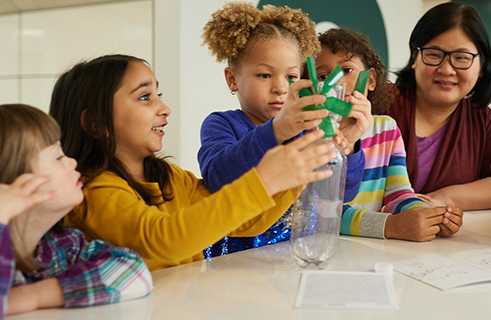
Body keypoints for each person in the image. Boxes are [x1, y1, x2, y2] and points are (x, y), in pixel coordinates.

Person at [50, 54, 336, 271]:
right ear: (96, 123)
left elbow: (242, 223)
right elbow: (164, 239)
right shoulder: (91, 191)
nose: (164, 108)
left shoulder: (170, 177)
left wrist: (297, 173)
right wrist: (264, 180)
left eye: (158, 95)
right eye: (145, 97)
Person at [198, 2, 366, 256]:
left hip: (297, 257)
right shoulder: (221, 124)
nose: (280, 87)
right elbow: (218, 177)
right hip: (233, 263)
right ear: (232, 79)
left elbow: (339, 197)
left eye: (291, 77)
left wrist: (347, 145)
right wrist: (277, 130)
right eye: (265, 75)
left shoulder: (309, 128)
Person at [0, 104, 152, 317]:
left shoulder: (62, 246)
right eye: (57, 157)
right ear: (14, 180)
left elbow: (135, 271)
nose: (72, 161)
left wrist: (31, 297)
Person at [314, 28, 463, 241]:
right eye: (323, 75)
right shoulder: (311, 132)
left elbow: (398, 193)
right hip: (326, 248)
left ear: (371, 80)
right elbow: (320, 211)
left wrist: (426, 215)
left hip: (372, 252)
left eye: (346, 70)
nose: (336, 82)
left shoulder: (387, 129)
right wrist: (389, 226)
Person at [386, 2, 491, 210]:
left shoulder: (483, 122)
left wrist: (444, 198)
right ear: (414, 57)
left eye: (461, 58)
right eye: (434, 55)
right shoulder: (380, 103)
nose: (446, 69)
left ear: (481, 67)